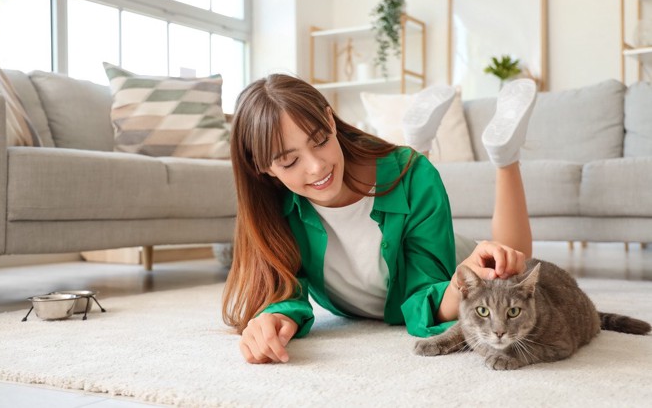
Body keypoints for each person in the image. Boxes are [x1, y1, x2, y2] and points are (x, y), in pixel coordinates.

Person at [222, 74, 537, 364]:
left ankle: (505, 156)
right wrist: (276, 317)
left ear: (331, 121)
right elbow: (282, 290)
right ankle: (419, 144)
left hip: (451, 264)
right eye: (289, 161)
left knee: (509, 266)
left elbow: (425, 294)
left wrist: (460, 282)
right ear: (262, 167)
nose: (316, 167)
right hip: (411, 208)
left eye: (320, 141)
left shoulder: (418, 179)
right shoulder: (272, 208)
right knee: (413, 175)